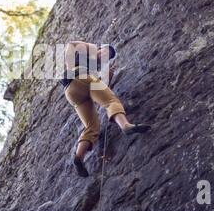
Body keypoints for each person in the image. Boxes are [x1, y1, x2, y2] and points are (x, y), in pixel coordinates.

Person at [60, 41, 151, 177]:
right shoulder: (87, 52)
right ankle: (125, 125)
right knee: (111, 101)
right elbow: (71, 44)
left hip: (72, 92)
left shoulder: (99, 67)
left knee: (92, 126)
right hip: (81, 78)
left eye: (108, 56)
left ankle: (78, 158)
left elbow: (105, 86)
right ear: (99, 48)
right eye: (105, 51)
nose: (105, 55)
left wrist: (109, 74)